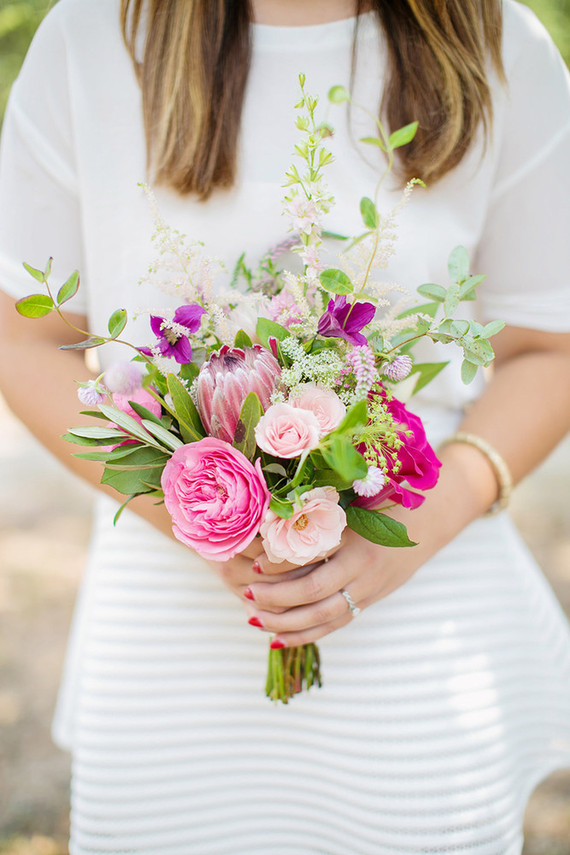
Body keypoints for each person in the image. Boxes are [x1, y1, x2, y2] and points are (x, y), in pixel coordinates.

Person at [0, 0, 569, 852]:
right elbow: (23, 335)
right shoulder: (94, 35)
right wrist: (210, 513)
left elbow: (547, 346)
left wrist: (409, 527)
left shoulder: (497, 43)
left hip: (420, 619)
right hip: (169, 635)